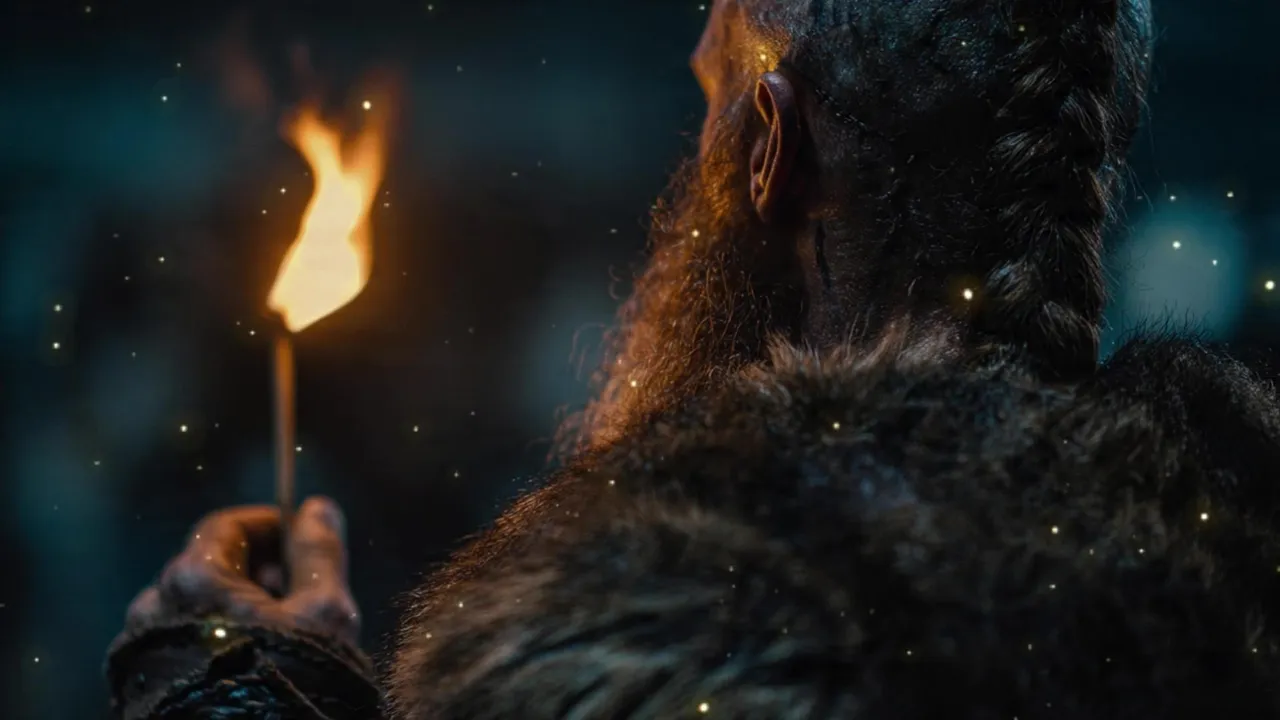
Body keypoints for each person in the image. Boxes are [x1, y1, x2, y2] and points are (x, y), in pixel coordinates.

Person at [106, 0, 1280, 717]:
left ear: (771, 146)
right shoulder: (1216, 556)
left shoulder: (699, 619)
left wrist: (244, 695)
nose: (692, 149)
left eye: (711, 89)